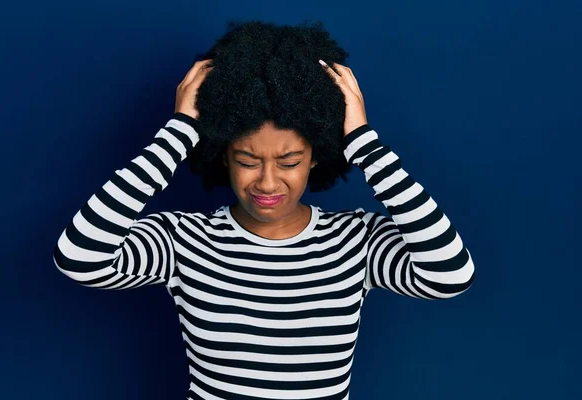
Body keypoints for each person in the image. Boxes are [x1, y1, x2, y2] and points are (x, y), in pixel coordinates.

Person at [53, 21, 475, 400]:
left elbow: (450, 276)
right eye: (247, 160)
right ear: (222, 156)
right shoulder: (183, 240)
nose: (268, 183)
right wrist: (178, 133)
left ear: (317, 156)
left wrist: (364, 143)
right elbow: (79, 258)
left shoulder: (356, 241)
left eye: (289, 162)